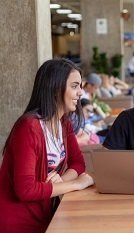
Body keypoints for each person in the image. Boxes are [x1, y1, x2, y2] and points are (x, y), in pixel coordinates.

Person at [0, 58, 94, 233]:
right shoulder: (29, 127)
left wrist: (62, 181)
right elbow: (26, 190)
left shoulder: (63, 122)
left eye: (80, 86)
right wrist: (76, 184)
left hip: (46, 215)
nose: (80, 92)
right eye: (74, 86)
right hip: (18, 221)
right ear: (55, 88)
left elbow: (78, 163)